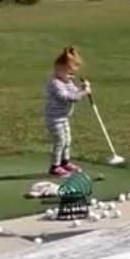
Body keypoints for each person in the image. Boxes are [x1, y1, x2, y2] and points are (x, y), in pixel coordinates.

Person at [44, 45, 89, 177]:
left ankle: (65, 162)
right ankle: (55, 166)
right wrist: (83, 93)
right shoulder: (55, 83)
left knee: (68, 140)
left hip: (63, 117)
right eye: (69, 73)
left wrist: (82, 88)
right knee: (60, 141)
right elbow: (67, 97)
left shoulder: (67, 81)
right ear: (59, 68)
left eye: (73, 74)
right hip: (54, 118)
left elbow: (74, 92)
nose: (71, 77)